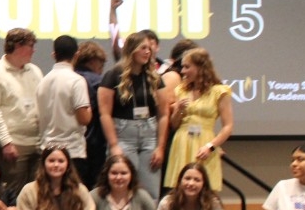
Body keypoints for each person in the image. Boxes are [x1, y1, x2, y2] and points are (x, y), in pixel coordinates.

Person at [98, 32, 167, 196]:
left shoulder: (154, 77)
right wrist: (114, 145)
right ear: (132, 50)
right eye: (143, 48)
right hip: (123, 135)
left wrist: (161, 147)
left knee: (150, 190)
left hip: (149, 135)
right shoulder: (113, 75)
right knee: (123, 186)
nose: (147, 52)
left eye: (149, 48)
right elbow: (105, 113)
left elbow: (164, 114)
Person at [0, 28, 43, 197]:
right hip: (11, 147)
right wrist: (6, 143)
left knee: (36, 193)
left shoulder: (35, 71)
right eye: (30, 46)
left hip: (36, 144)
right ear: (17, 46)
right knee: (14, 194)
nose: (34, 50)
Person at [164, 47, 233, 192]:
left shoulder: (219, 91)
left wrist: (211, 146)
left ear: (200, 67)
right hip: (182, 142)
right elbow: (174, 125)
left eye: (186, 67)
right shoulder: (181, 90)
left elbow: (228, 126)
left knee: (204, 189)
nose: (182, 71)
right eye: (182, 67)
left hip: (204, 143)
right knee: (179, 189)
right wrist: (179, 111)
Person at [36, 35, 92, 180]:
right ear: (77, 54)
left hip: (47, 150)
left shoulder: (43, 81)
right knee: (71, 197)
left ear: (54, 55)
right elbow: (84, 118)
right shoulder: (76, 80)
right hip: (72, 151)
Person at [74, 41, 108, 188]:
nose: (101, 70)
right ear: (94, 61)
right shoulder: (99, 82)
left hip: (71, 144)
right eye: (101, 65)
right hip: (95, 142)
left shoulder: (69, 78)